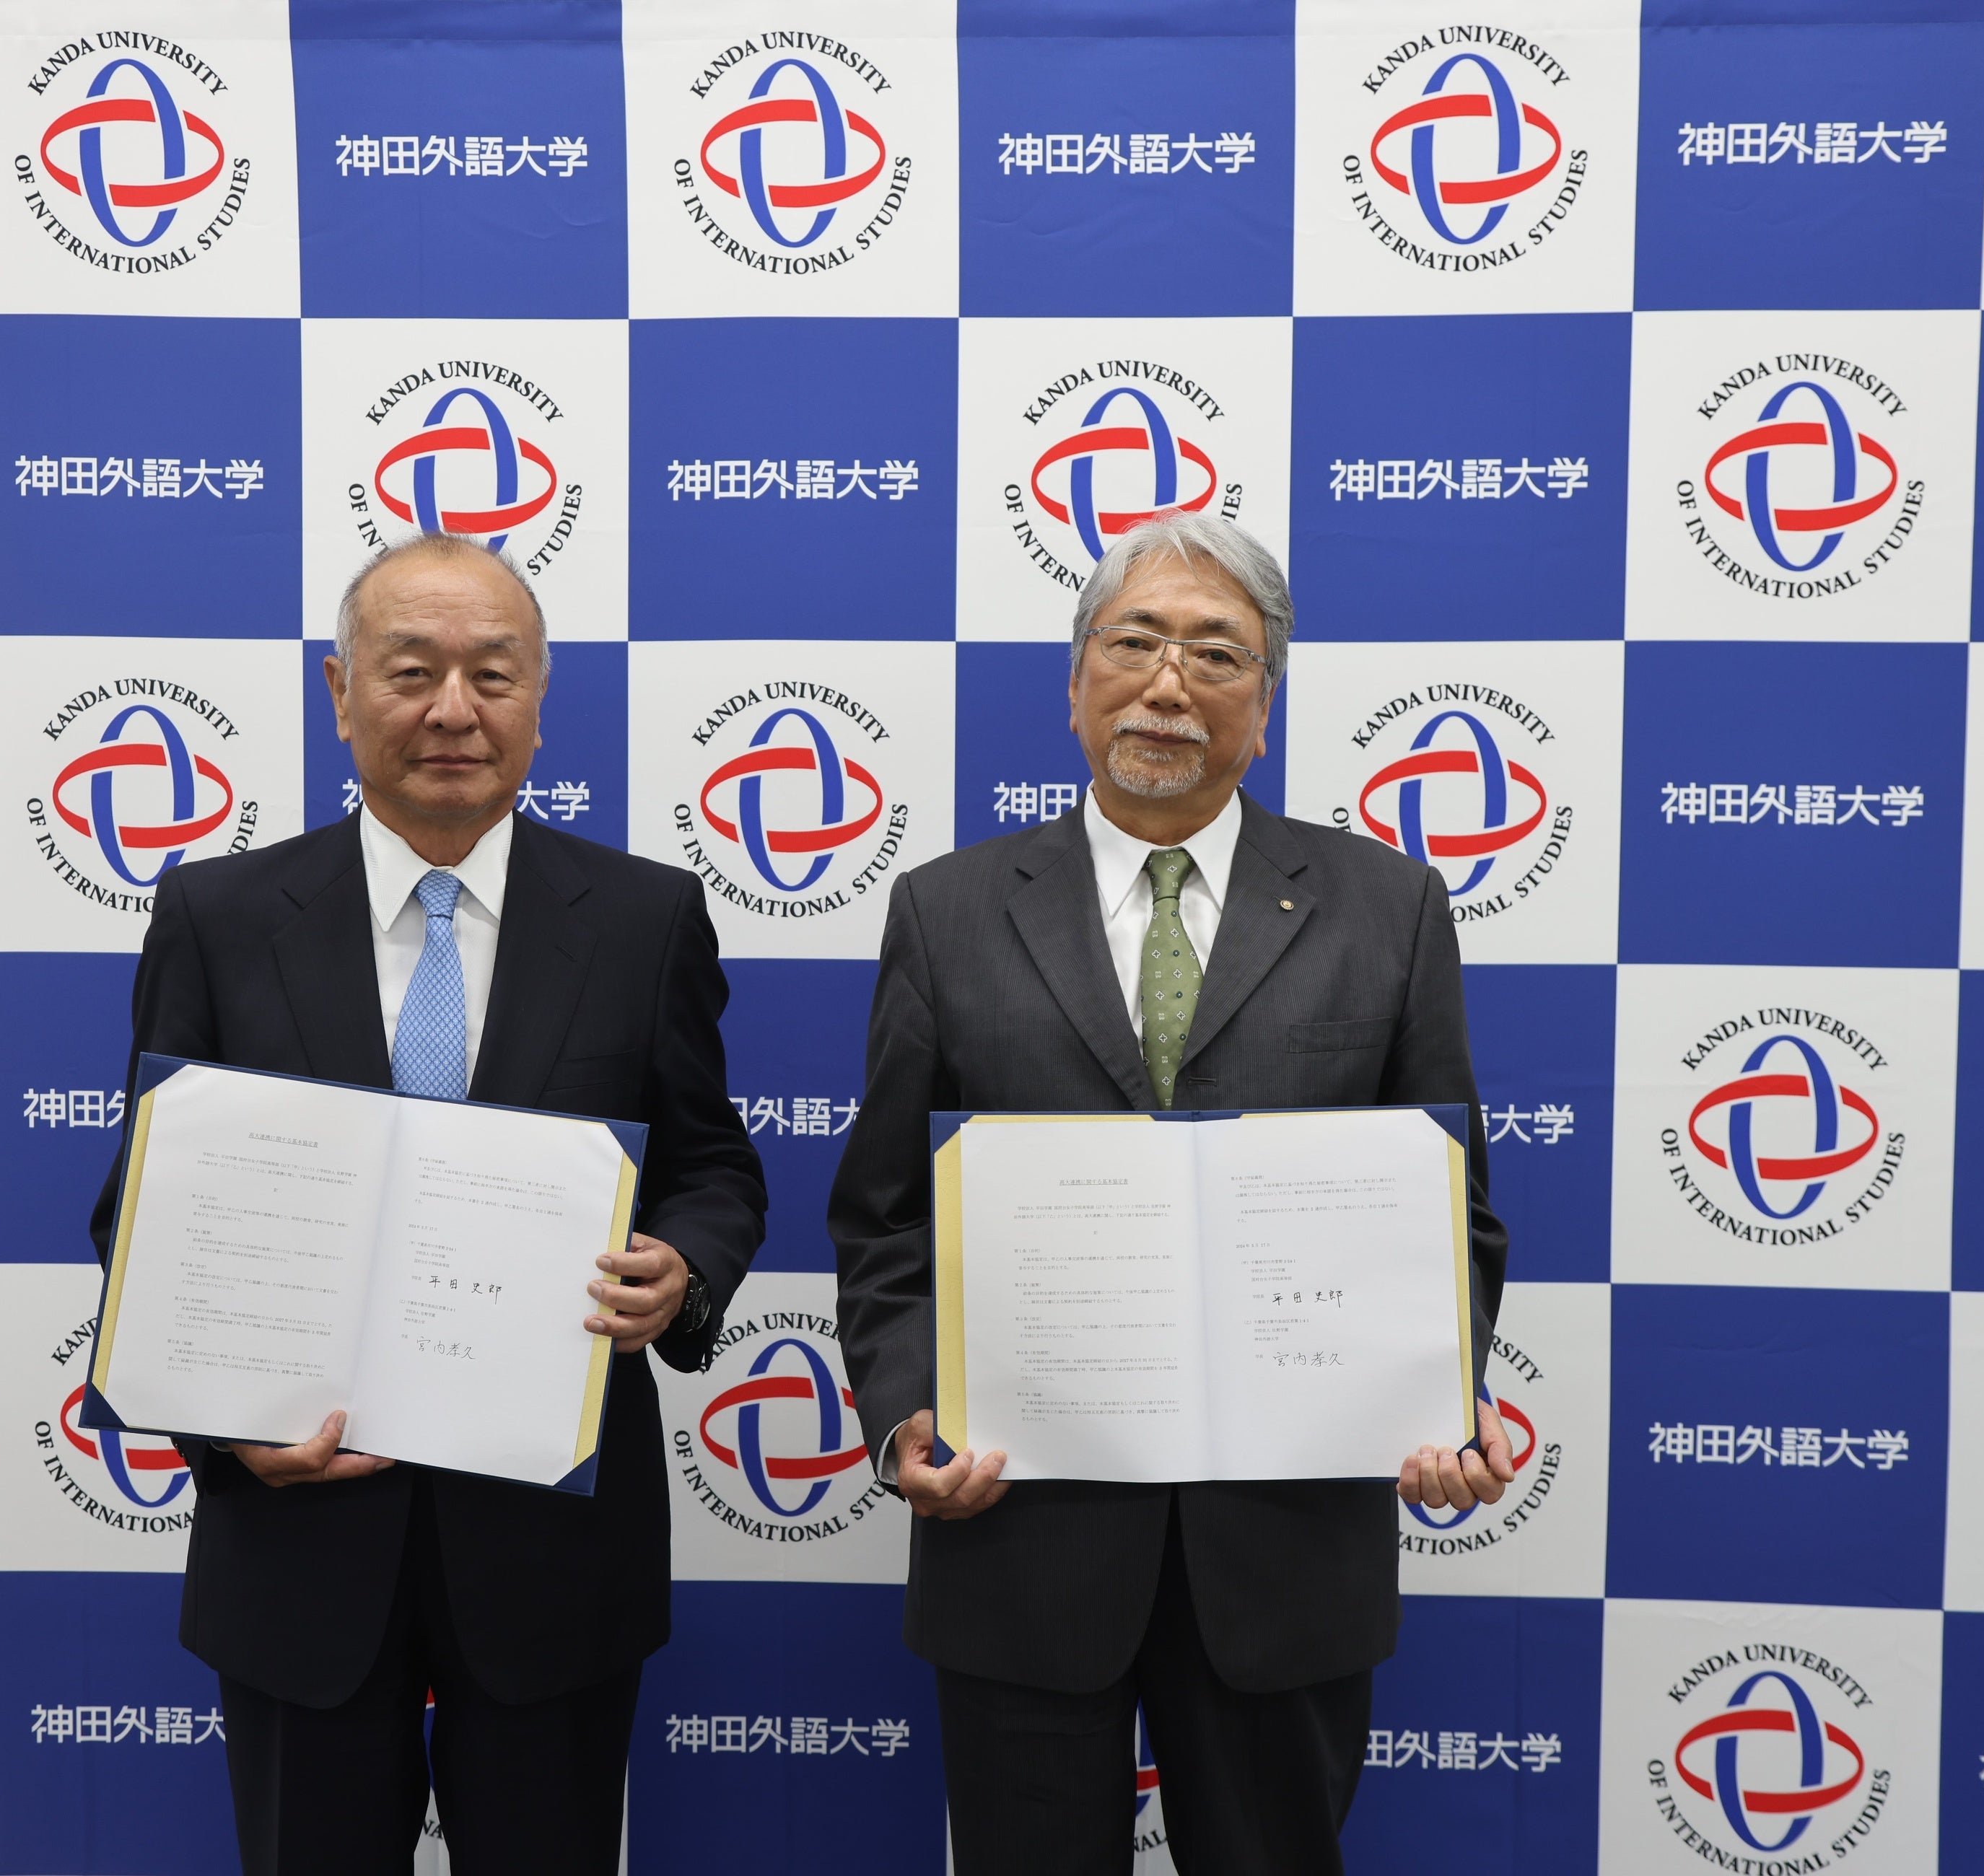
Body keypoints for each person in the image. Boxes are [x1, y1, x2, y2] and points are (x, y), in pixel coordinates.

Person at [828, 509, 1511, 1875]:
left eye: (1218, 655)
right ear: (1076, 679)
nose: (1169, 685)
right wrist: (906, 1413)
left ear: (1265, 703)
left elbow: (1449, 1211)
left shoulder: (1387, 907)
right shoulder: (948, 910)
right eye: (1135, 642)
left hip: (1284, 1549)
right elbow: (888, 1213)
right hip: (1021, 1530)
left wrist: (1443, 1399)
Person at [90, 531, 766, 1876]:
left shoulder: (642, 920)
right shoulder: (222, 913)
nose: (453, 710)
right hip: (298, 1536)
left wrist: (682, 1268)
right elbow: (142, 1211)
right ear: (339, 692)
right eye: (412, 672)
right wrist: (227, 1429)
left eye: (492, 675)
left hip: (556, 1548)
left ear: (539, 697)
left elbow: (714, 1168)